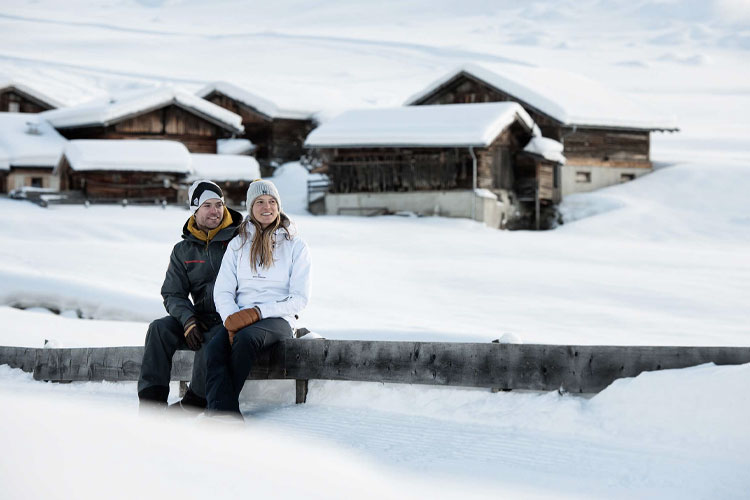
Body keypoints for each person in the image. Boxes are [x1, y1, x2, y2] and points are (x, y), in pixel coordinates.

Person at [205, 179, 311, 416]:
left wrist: (258, 312)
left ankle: (221, 412)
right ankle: (223, 413)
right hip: (239, 317)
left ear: (278, 206)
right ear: (250, 208)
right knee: (214, 348)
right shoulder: (238, 244)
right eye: (260, 202)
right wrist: (232, 319)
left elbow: (300, 298)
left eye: (272, 202)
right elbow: (223, 290)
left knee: (246, 339)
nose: (267, 207)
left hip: (278, 319)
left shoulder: (296, 246)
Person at [137, 179, 243, 411]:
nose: (215, 211)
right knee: (159, 328)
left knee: (212, 340)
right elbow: (173, 293)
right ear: (195, 210)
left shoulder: (239, 239)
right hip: (200, 316)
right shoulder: (183, 250)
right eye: (207, 206)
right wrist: (188, 320)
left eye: (219, 204)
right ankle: (150, 404)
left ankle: (195, 401)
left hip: (230, 316)